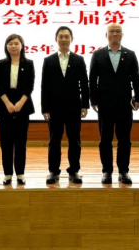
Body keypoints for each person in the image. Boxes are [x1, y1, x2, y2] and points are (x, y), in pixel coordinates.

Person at [89, 23, 139, 185]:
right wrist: (93, 100)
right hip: (104, 104)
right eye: (111, 31)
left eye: (118, 31)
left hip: (124, 103)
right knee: (105, 139)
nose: (114, 34)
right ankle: (107, 171)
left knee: (124, 139)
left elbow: (136, 78)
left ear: (122, 35)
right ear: (106, 35)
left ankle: (123, 171)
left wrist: (138, 98)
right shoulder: (98, 54)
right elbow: (92, 79)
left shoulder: (130, 54)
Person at [41, 26, 89, 185]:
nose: (63, 39)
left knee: (74, 139)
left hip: (73, 107)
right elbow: (45, 86)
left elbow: (84, 84)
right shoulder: (48, 60)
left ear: (71, 39)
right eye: (60, 36)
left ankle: (74, 170)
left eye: (66, 36)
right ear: (56, 39)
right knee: (54, 140)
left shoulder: (78, 60)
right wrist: (45, 108)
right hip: (54, 107)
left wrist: (84, 105)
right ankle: (53, 170)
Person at [0, 34, 35, 185]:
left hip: (23, 105)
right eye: (10, 43)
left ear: (22, 46)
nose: (13, 46)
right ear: (6, 46)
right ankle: (7, 174)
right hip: (5, 105)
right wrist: (8, 104)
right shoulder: (1, 63)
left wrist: (20, 104)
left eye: (16, 43)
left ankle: (20, 173)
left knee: (21, 142)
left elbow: (30, 86)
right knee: (6, 142)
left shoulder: (29, 64)